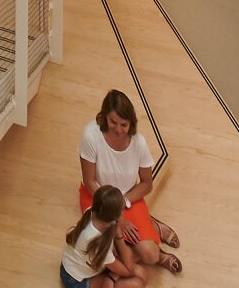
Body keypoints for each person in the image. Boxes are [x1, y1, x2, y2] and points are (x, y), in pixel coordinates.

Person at [78, 87, 184, 273]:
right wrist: (118, 217)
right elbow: (89, 181)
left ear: (131, 123)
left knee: (148, 255)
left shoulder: (139, 142)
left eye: (124, 125)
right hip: (97, 198)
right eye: (113, 122)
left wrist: (122, 204)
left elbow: (146, 183)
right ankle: (154, 236)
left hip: (128, 198)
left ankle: (154, 247)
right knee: (105, 254)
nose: (118, 130)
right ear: (104, 117)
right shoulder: (90, 135)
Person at [62, 186, 147, 288]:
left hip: (92, 266)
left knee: (141, 274)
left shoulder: (93, 212)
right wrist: (119, 235)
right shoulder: (97, 242)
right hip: (76, 281)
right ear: (114, 217)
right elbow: (127, 270)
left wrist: (110, 279)